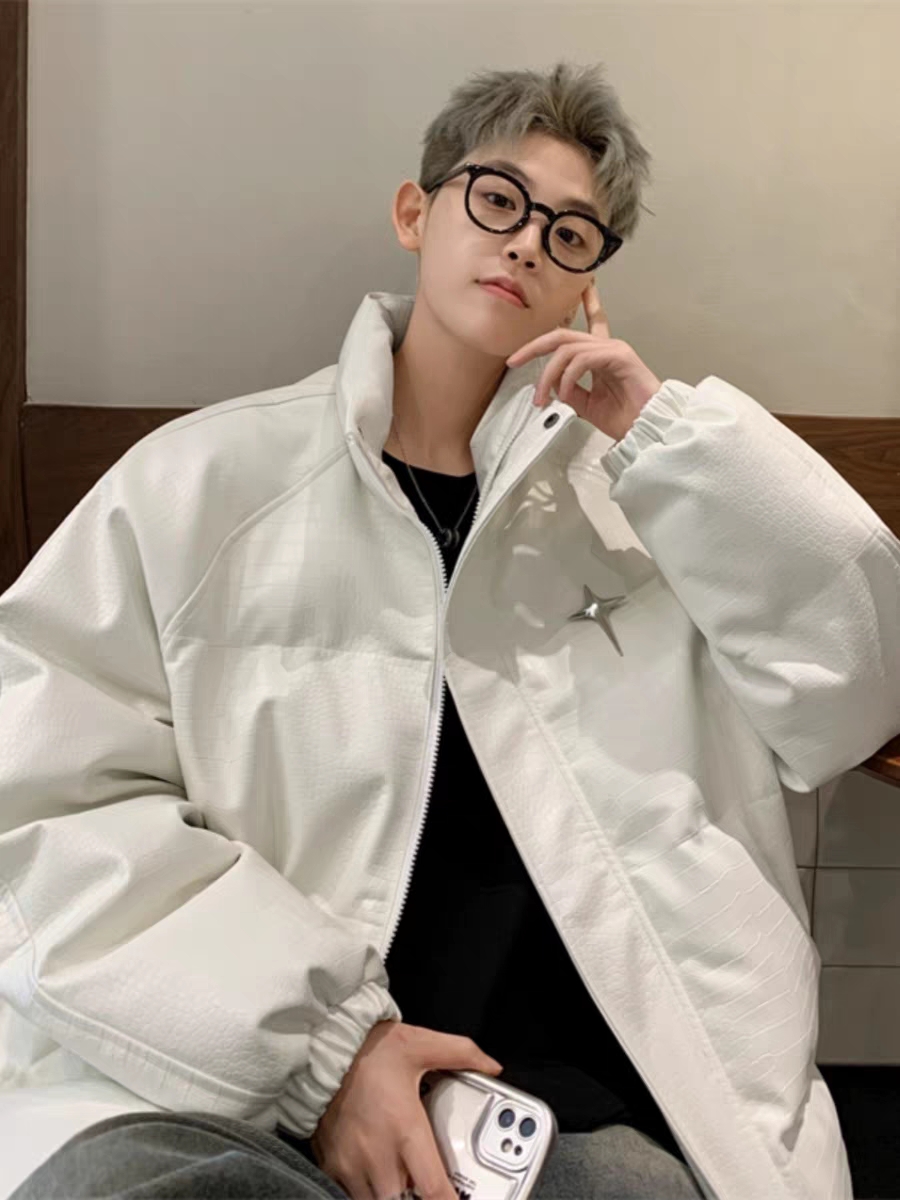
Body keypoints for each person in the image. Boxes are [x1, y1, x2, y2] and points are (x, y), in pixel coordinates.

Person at [0, 58, 896, 1200]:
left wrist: (665, 437)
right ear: (415, 213)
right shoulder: (202, 486)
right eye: (499, 199)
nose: (527, 244)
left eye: (570, 233)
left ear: (589, 281)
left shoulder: (651, 507)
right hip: (233, 1090)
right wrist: (328, 1052)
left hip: (560, 1111)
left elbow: (859, 685)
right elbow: (44, 798)